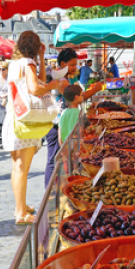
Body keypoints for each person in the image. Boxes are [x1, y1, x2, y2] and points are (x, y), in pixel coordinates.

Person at [3, 31, 67, 225]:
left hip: (16, 117)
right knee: (22, 167)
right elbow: (36, 88)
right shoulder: (27, 64)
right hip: (26, 119)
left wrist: (40, 57)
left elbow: (38, 80)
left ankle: (19, 206)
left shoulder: (15, 63)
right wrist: (54, 84)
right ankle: (21, 213)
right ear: (34, 46)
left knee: (17, 166)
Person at [43, 50, 102, 190]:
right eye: (72, 64)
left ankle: (58, 187)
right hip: (54, 124)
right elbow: (73, 97)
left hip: (59, 122)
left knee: (58, 159)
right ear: (62, 64)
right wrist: (95, 90)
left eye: (75, 64)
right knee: (54, 159)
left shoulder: (65, 78)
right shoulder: (61, 80)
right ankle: (51, 191)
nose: (75, 67)